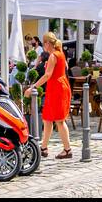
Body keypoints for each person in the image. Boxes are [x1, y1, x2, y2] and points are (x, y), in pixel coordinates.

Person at [26, 32, 73, 160]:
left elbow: (47, 75)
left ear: (47, 43)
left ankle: (67, 150)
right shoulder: (60, 53)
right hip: (57, 87)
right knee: (47, 118)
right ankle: (44, 148)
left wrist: (32, 87)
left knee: (59, 120)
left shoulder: (53, 56)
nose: (43, 45)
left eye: (43, 42)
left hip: (57, 89)